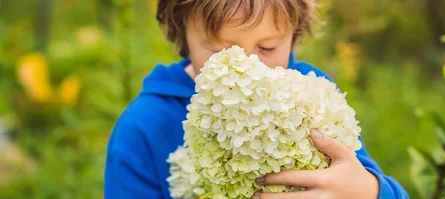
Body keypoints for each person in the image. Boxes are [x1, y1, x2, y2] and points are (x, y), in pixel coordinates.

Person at [104, 0, 409, 198]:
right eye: (220, 51)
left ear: (294, 34)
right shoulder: (142, 128)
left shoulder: (312, 97)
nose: (249, 70)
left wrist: (366, 191)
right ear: (183, 37)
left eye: (268, 47)